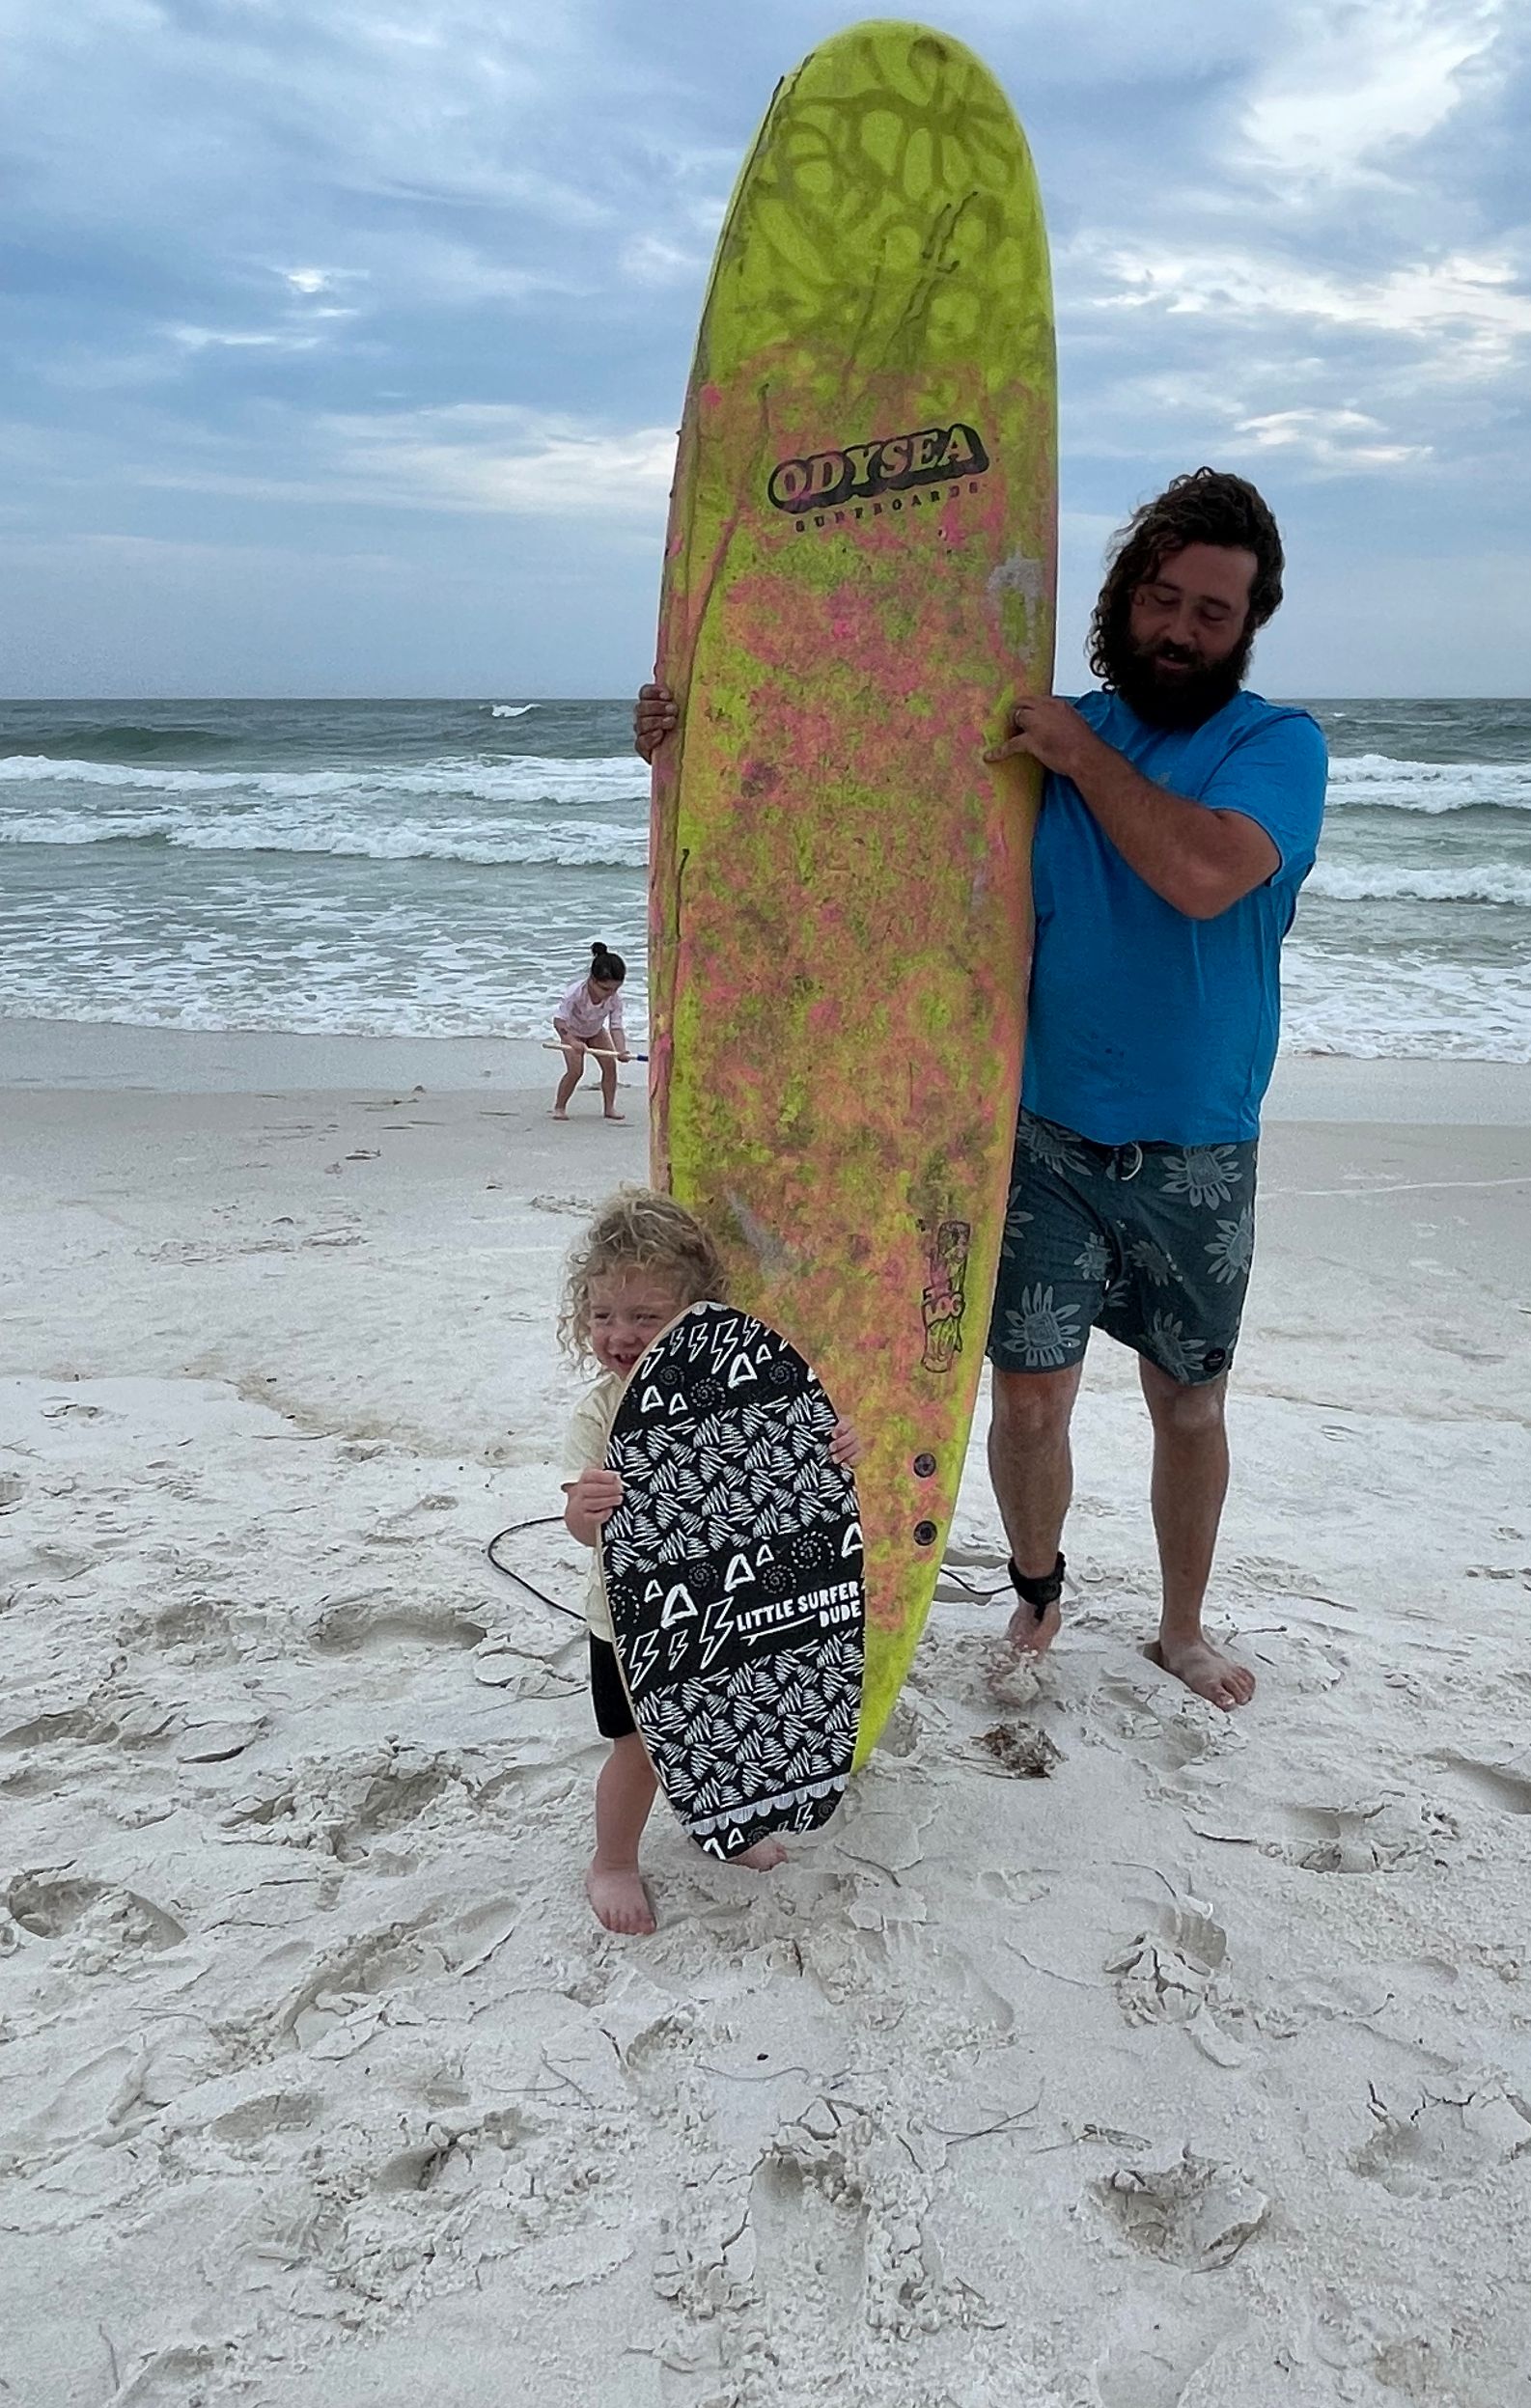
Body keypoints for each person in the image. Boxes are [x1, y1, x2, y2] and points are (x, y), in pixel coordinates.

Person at [633, 467, 1325, 1721]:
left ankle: (1180, 1627)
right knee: (1028, 1396)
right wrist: (694, 732)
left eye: (1212, 612)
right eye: (1162, 597)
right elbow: (854, 779)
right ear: (1126, 593)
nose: (1179, 628)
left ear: (1250, 625)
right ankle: (1039, 1586)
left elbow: (1209, 872)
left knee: (1188, 1402)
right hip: (1042, 1133)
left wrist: (1079, 758)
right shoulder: (1043, 727)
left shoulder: (1274, 747)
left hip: (1198, 1146)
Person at [559, 1187, 861, 1935]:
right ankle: (615, 1860)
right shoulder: (600, 1413)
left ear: (696, 1319)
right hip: (635, 1626)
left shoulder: (746, 1393)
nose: (619, 1335)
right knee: (641, 1750)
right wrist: (586, 1509)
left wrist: (832, 1452)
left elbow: (792, 1491)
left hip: (730, 1605)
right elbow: (581, 1527)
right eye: (602, 1316)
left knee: (728, 1716)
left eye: (644, 1317)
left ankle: (723, 1823)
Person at [551, 942, 630, 1121]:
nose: (610, 993)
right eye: (605, 989)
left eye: (615, 989)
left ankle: (609, 1108)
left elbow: (616, 1026)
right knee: (576, 1070)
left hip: (595, 1032)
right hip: (572, 1032)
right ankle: (560, 1106)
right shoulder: (575, 993)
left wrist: (621, 1050)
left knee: (610, 1066)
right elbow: (559, 1021)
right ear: (592, 980)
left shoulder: (615, 1000)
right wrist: (571, 1041)